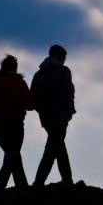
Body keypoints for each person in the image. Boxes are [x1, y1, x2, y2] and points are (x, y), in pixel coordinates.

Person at [0, 54, 33, 189]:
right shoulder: (20, 84)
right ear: (15, 68)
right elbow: (30, 105)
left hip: (0, 126)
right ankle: (11, 187)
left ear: (2, 67)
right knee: (13, 155)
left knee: (12, 156)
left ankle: (12, 187)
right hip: (17, 126)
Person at [31, 44, 75, 186]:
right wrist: (69, 112)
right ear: (60, 57)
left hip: (46, 118)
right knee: (52, 151)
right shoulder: (64, 71)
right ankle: (39, 183)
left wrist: (42, 112)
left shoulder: (39, 74)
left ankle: (67, 181)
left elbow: (33, 97)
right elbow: (69, 92)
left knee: (58, 147)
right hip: (60, 117)